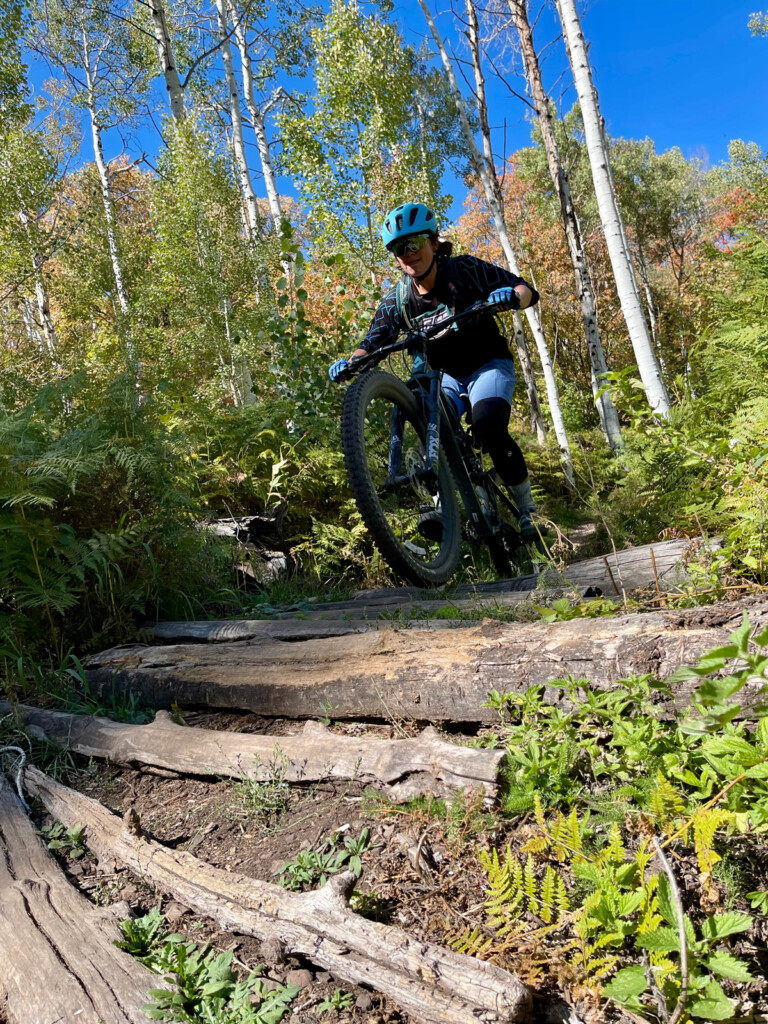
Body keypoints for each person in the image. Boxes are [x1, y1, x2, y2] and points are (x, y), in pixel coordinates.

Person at [329, 201, 541, 542]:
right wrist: (350, 363)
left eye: (413, 244)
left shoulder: (464, 270)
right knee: (431, 426)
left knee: (488, 425)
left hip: (486, 363)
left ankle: (528, 510)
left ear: (432, 242)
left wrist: (511, 296)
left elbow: (525, 289)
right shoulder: (397, 300)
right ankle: (445, 507)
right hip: (440, 377)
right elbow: (371, 343)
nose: (407, 253)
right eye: (399, 249)